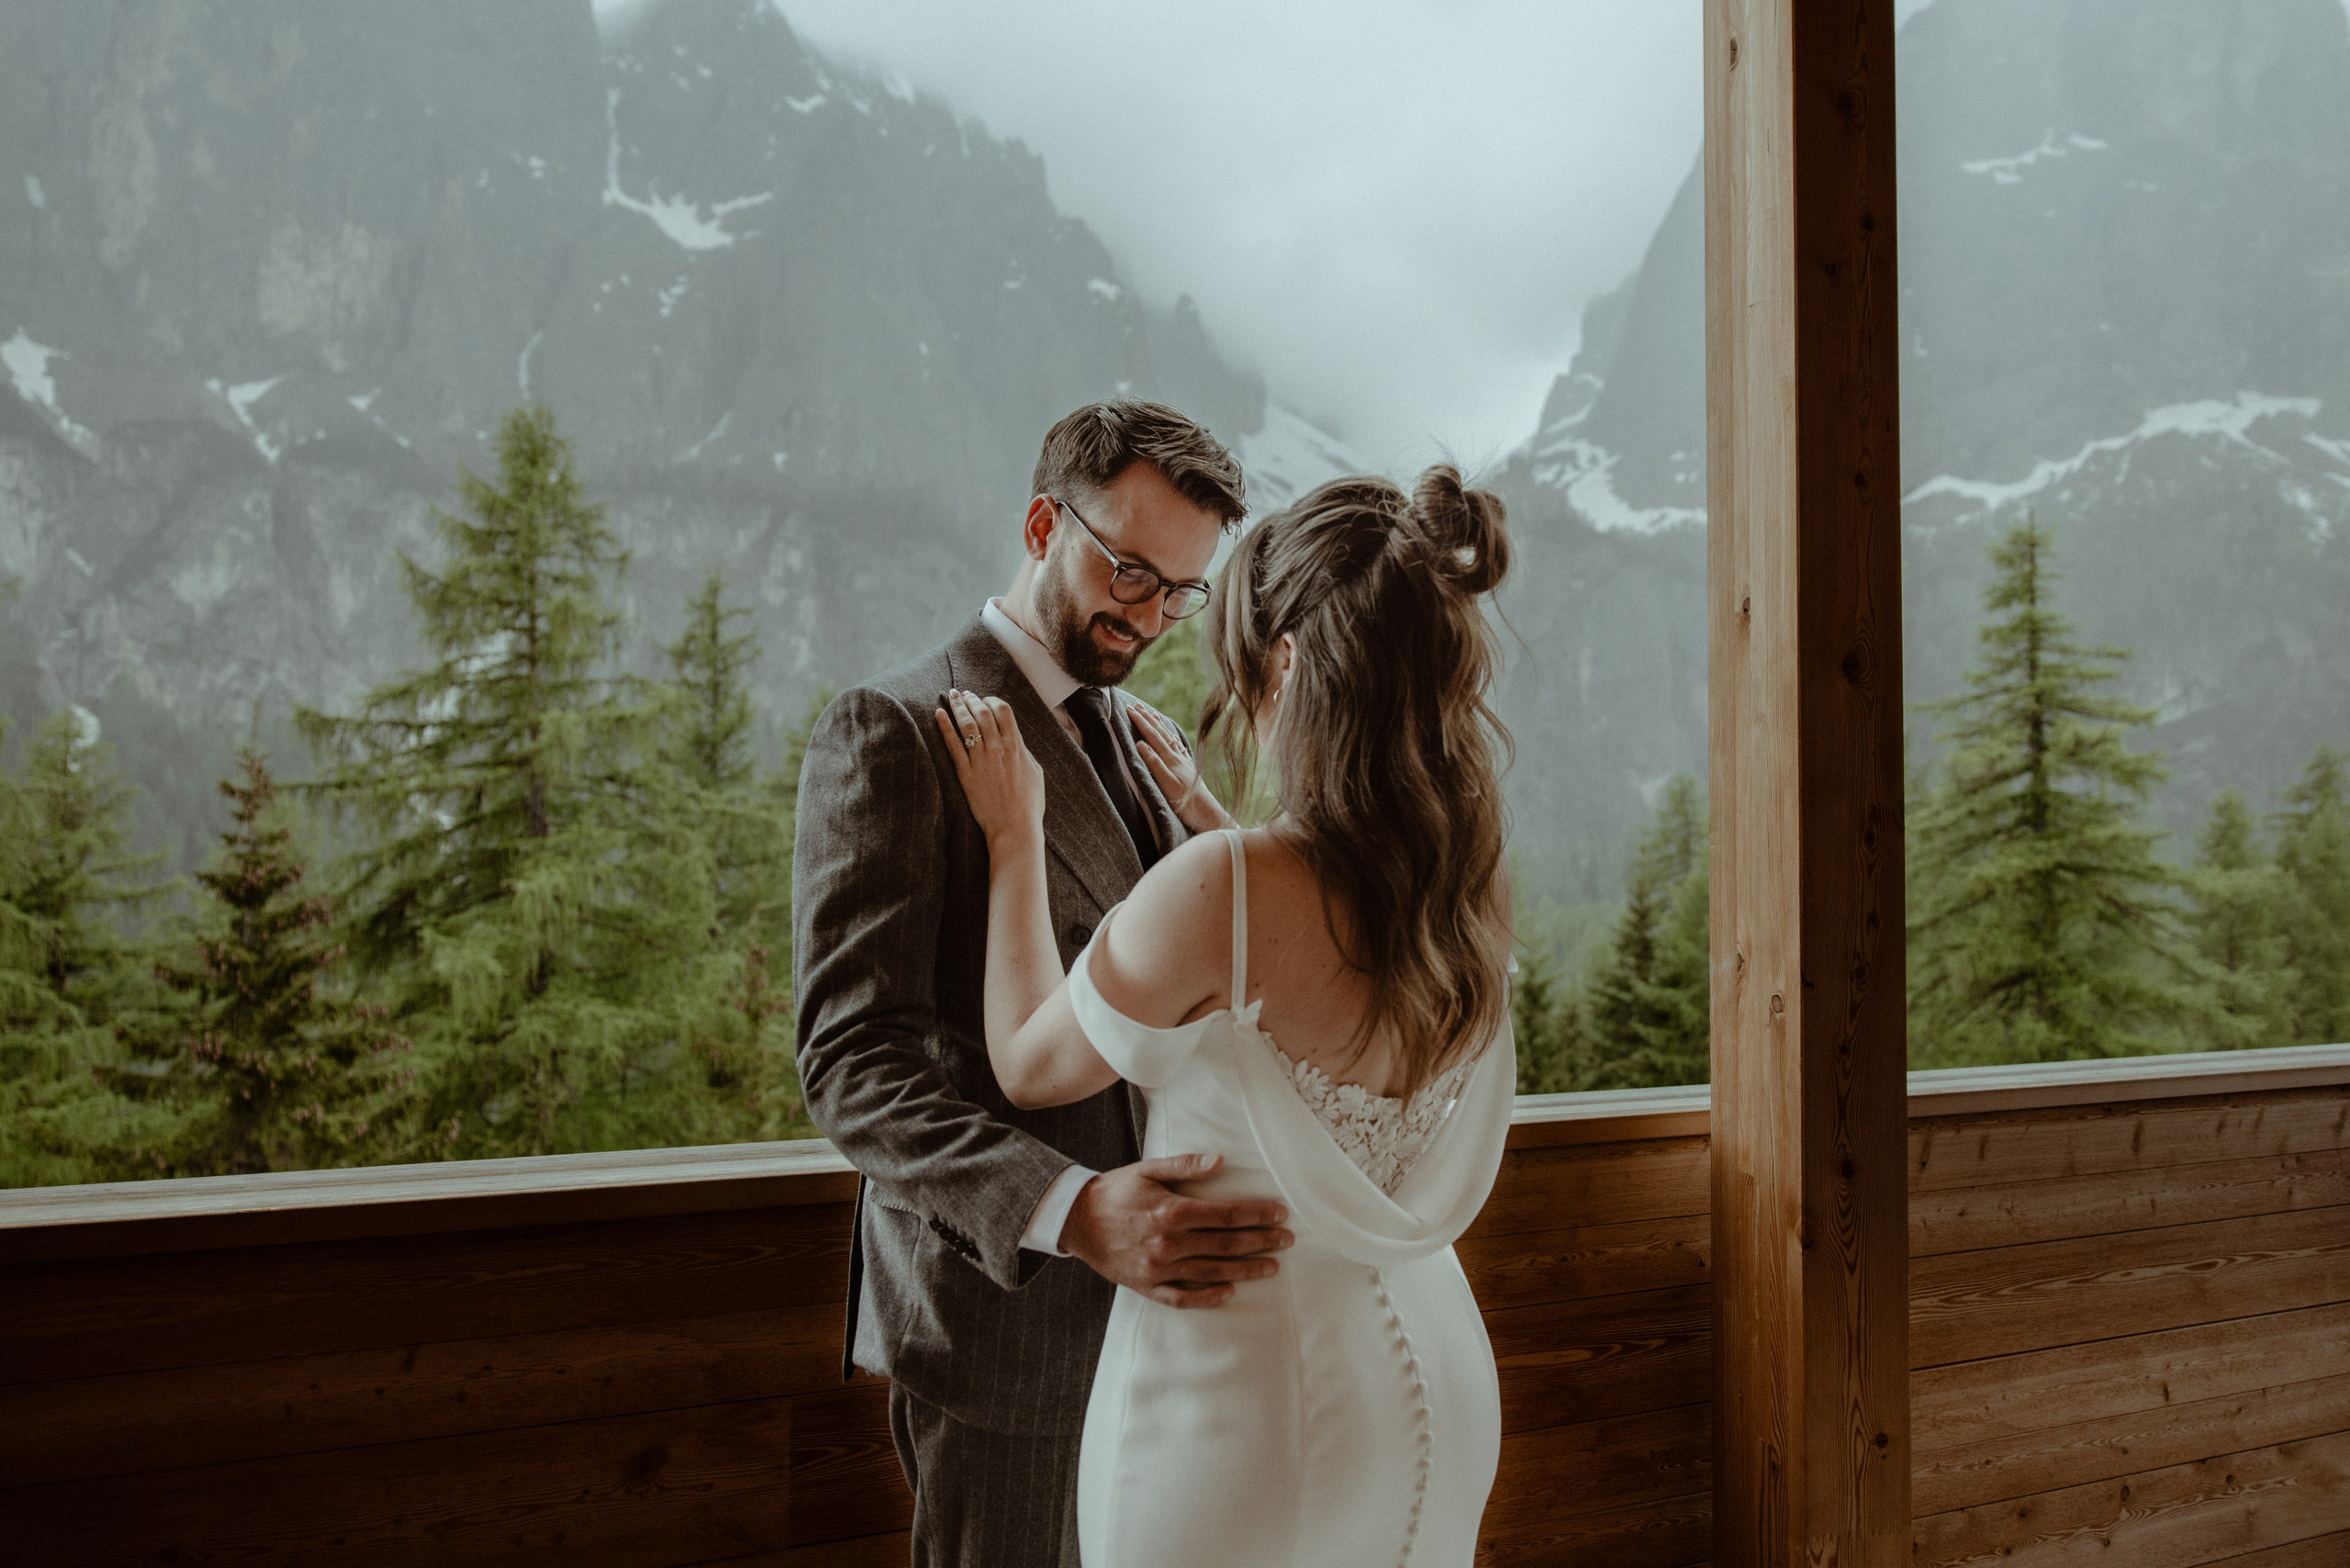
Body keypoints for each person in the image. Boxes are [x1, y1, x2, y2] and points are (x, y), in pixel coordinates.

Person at [935, 465, 1519, 1567]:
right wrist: (1210, 820)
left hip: (1243, 1398)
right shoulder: (1466, 886)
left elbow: (1026, 1059)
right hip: (1432, 1380)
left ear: (1289, 664)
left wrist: (1016, 835)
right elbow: (1315, 943)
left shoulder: (1222, 889)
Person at [793, 400, 1295, 1567]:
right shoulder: (893, 728)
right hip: (1008, 1340)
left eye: (1180, 593)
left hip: (1170, 1335)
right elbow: (852, 1064)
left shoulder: (1145, 739)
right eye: (1128, 572)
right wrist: (1071, 1208)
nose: (1151, 616)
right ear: (1038, 524)